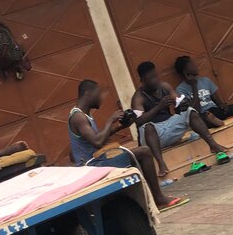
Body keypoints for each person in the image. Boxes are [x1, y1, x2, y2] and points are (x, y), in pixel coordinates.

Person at [67, 80, 186, 211]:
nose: (101, 97)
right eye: (98, 93)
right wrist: (110, 121)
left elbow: (97, 137)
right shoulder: (78, 117)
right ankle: (159, 200)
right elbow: (97, 142)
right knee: (144, 152)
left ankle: (145, 202)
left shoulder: (83, 115)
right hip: (92, 167)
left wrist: (119, 127)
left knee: (135, 157)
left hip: (98, 163)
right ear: (88, 93)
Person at [132, 61, 227, 177]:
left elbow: (180, 102)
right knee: (147, 126)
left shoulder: (165, 87)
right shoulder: (138, 97)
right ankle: (161, 164)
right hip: (153, 136)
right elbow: (139, 121)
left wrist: (181, 103)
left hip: (170, 128)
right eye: (150, 78)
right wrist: (159, 107)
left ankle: (213, 145)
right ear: (142, 80)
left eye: (155, 76)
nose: (155, 80)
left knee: (190, 112)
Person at [174, 55, 233, 129]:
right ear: (185, 72)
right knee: (205, 118)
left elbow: (217, 100)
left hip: (216, 110)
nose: (196, 66)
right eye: (192, 65)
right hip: (204, 115)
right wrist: (194, 86)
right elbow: (195, 110)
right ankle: (215, 120)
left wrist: (223, 106)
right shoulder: (180, 90)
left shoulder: (205, 80)